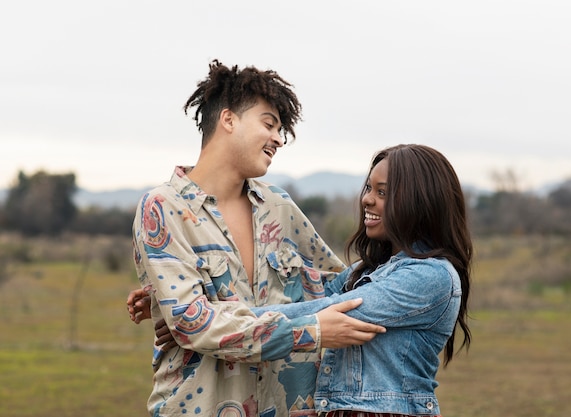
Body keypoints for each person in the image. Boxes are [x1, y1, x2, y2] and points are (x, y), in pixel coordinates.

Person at [133, 143, 473, 416]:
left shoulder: (430, 277)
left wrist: (208, 319)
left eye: (383, 192)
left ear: (419, 201)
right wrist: (178, 303)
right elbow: (299, 288)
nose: (367, 199)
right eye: (369, 188)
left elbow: (330, 310)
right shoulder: (369, 271)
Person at [129, 59, 385, 417]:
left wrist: (419, 260)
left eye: (280, 129)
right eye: (269, 124)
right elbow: (193, 324)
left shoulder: (279, 206)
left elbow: (341, 288)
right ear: (229, 119)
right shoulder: (162, 209)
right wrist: (309, 331)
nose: (279, 139)